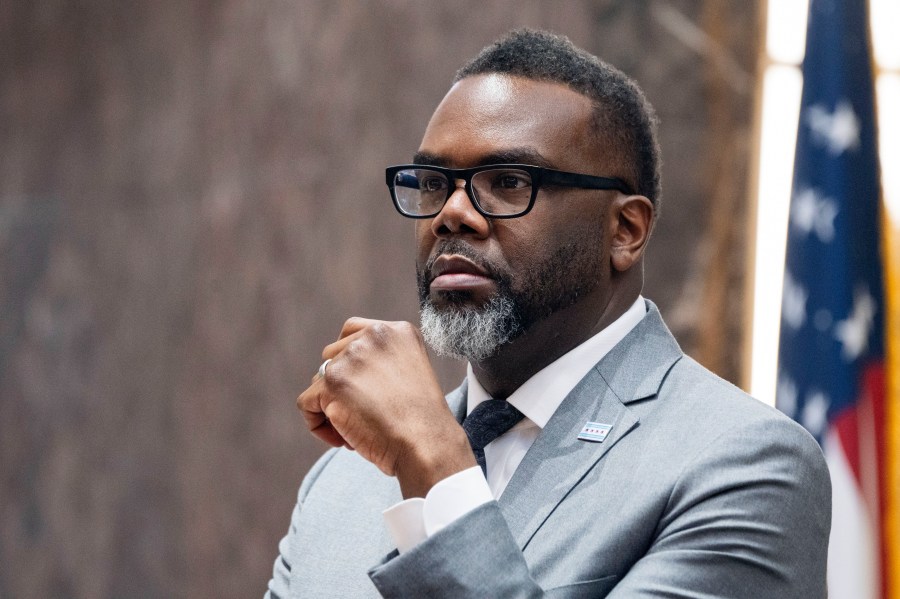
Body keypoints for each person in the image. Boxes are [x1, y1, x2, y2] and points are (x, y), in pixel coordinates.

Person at [266, 29, 830, 598]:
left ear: (625, 230)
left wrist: (433, 459)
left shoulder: (746, 466)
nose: (452, 214)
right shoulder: (343, 480)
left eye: (509, 182)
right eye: (434, 183)